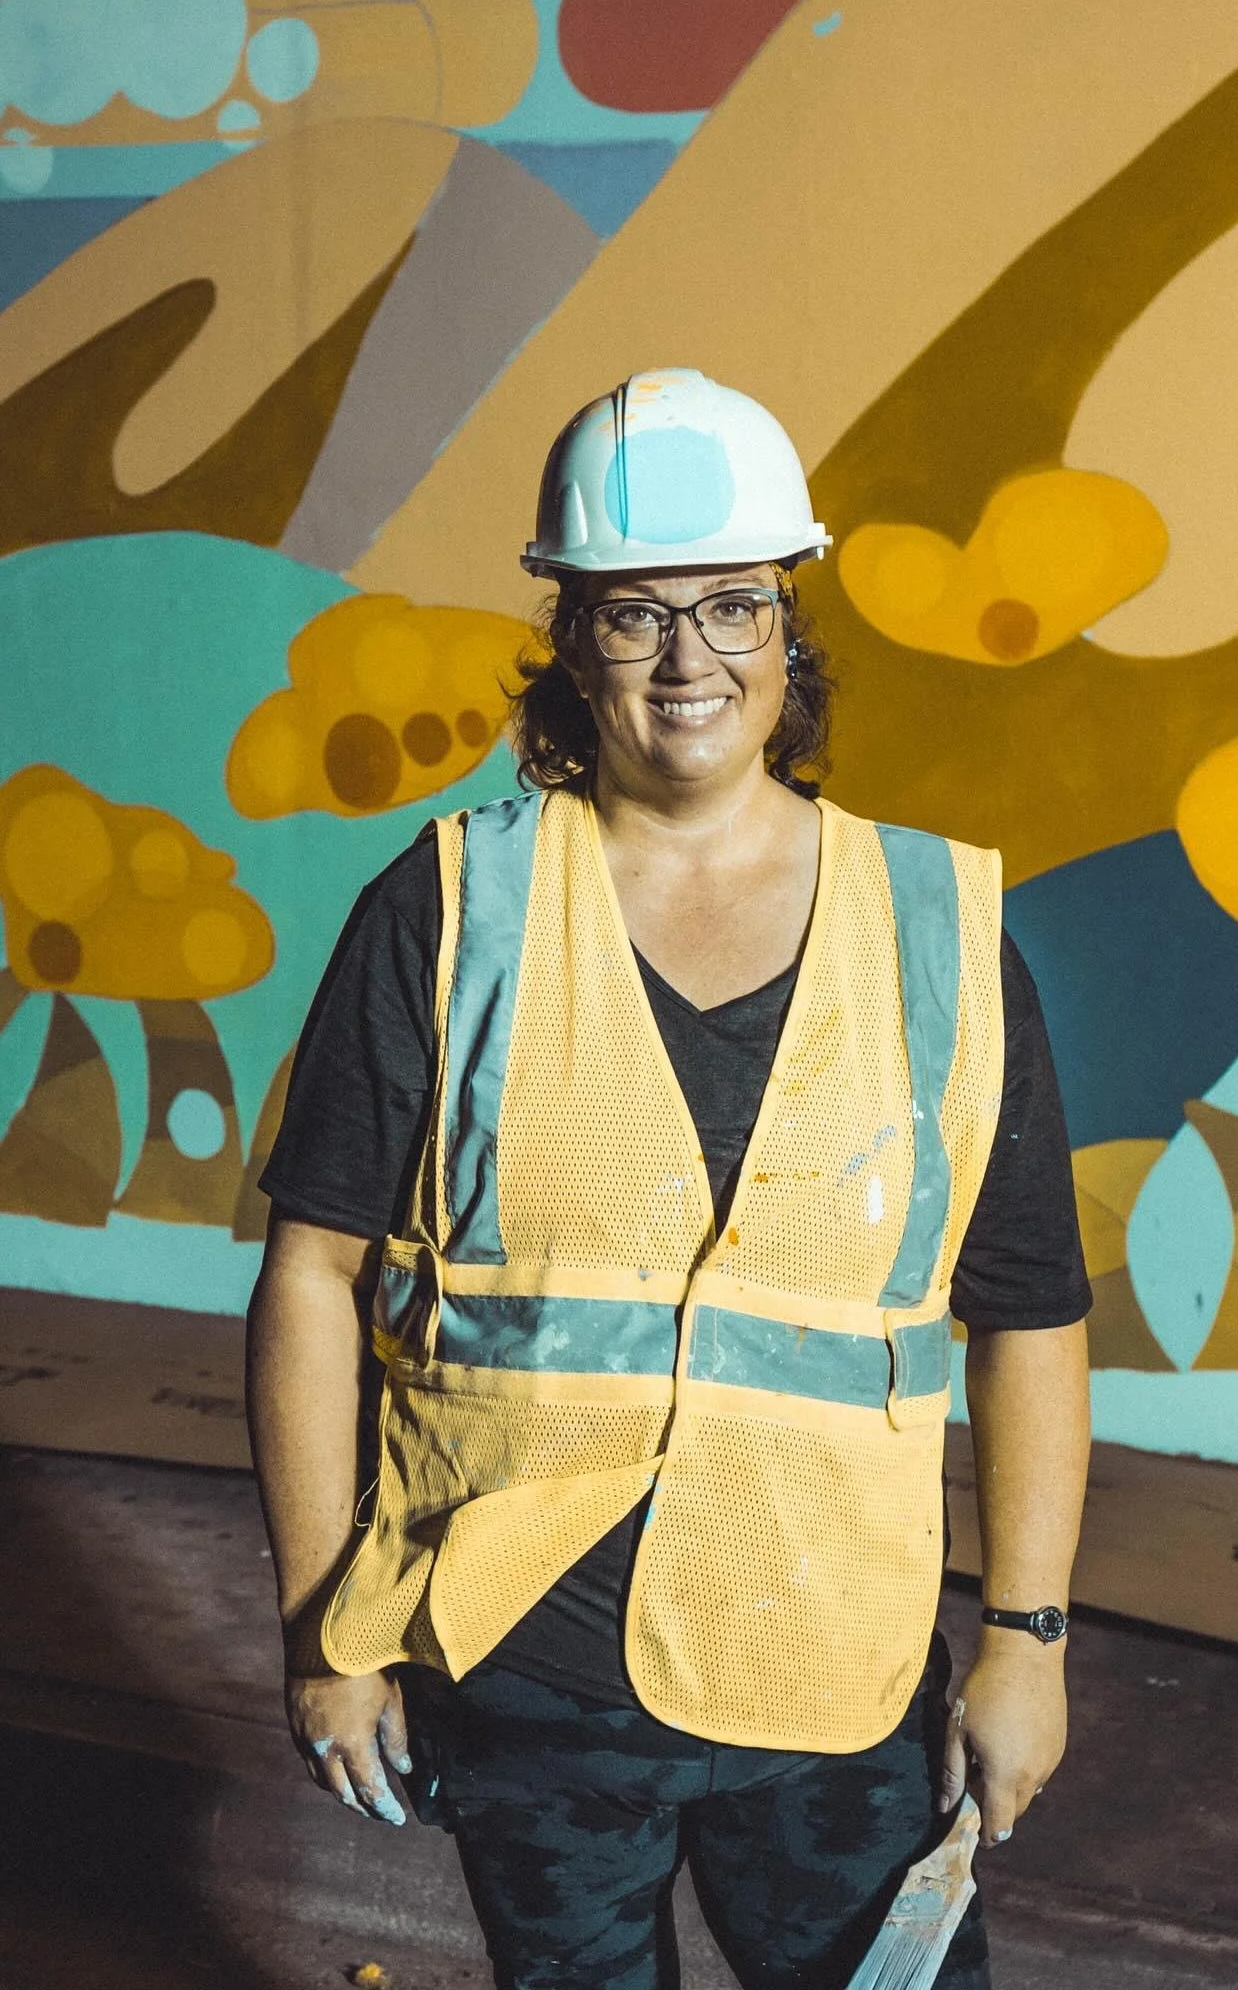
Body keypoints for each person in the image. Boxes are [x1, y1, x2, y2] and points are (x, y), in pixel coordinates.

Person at [246, 368, 1092, 1990]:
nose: (690, 659)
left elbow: (1030, 1313)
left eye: (731, 606)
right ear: (573, 641)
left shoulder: (936, 933)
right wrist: (320, 1628)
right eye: (636, 615)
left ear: (789, 631)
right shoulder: (449, 910)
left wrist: (1027, 1640)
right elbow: (309, 1277)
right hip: (522, 1665)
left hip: (832, 1659)